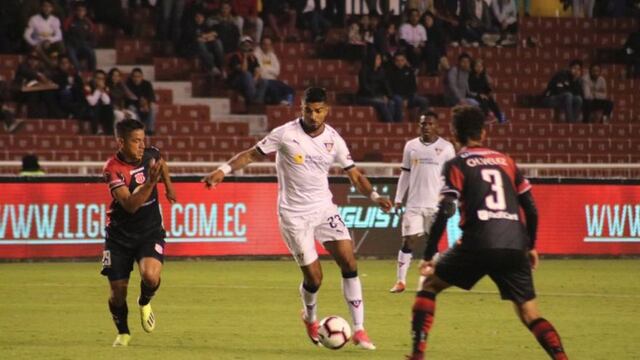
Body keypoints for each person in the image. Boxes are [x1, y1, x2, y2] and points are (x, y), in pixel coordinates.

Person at [201, 87, 393, 350]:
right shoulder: (285, 134)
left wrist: (374, 196)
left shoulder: (334, 139)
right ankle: (310, 318)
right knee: (315, 279)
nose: (313, 115)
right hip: (294, 215)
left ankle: (360, 329)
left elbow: (355, 175)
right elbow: (251, 154)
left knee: (349, 262)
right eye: (308, 110)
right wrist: (222, 170)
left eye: (318, 110)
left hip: (325, 209)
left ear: (326, 111)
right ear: (301, 109)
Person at [406, 106, 569, 360]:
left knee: (430, 284)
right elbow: (532, 209)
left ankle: (417, 355)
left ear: (454, 133)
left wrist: (429, 254)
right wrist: (531, 245)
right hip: (514, 245)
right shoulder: (507, 161)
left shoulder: (457, 164)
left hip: (477, 242)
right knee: (530, 314)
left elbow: (447, 208)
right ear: (483, 132)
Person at [101, 118, 177, 347]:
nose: (142, 146)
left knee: (151, 276)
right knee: (117, 293)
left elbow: (161, 164)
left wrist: (169, 189)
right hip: (118, 236)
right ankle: (123, 332)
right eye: (136, 141)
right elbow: (131, 205)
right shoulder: (112, 169)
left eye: (143, 140)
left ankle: (144, 301)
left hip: (150, 230)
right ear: (121, 142)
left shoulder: (150, 153)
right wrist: (151, 184)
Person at [389, 111, 455, 293]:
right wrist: (398, 198)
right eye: (423, 124)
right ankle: (400, 281)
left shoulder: (447, 147)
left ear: (437, 126)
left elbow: (453, 176)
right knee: (408, 240)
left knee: (431, 244)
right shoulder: (411, 146)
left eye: (429, 124)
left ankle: (428, 281)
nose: (426, 127)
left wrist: (452, 199)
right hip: (414, 204)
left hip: (436, 205)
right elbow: (405, 173)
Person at [387, 52, 429, 122]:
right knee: (398, 100)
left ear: (405, 61)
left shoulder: (409, 71)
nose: (400, 62)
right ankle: (399, 124)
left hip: (409, 97)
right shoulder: (390, 71)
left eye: (402, 60)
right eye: (398, 60)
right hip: (396, 96)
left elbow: (413, 87)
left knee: (424, 101)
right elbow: (389, 88)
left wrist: (407, 98)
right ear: (395, 62)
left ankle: (421, 121)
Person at [253, 36, 294, 105]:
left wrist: (266, 68)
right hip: (263, 80)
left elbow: (277, 71)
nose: (266, 46)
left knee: (290, 90)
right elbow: (260, 69)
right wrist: (270, 69)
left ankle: (288, 102)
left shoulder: (272, 55)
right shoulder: (256, 54)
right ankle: (280, 102)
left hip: (273, 80)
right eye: (265, 44)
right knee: (273, 89)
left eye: (268, 44)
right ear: (261, 45)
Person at [356, 52, 395, 122]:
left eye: (380, 59)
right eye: (377, 59)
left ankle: (389, 124)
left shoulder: (381, 72)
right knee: (381, 103)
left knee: (391, 103)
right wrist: (377, 96)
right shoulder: (364, 71)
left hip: (378, 96)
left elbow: (385, 86)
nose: (379, 61)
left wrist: (387, 96)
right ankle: (391, 124)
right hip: (365, 97)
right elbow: (364, 87)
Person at [468, 58, 507, 123]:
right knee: (483, 100)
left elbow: (486, 88)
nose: (479, 68)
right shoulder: (470, 76)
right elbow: (470, 89)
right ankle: (486, 116)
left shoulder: (483, 77)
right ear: (473, 67)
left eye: (481, 66)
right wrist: (479, 94)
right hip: (474, 95)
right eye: (477, 66)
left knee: (492, 101)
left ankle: (499, 118)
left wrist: (488, 93)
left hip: (483, 94)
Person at [63, 2, 97, 72]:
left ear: (85, 12)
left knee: (91, 53)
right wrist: (68, 44)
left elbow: (92, 35)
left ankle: (92, 72)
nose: (80, 12)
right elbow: (64, 34)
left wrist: (91, 44)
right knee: (74, 60)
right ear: (75, 11)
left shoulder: (88, 22)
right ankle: (79, 74)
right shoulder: (69, 21)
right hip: (72, 45)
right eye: (79, 10)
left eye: (82, 10)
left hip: (84, 45)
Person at [126, 68, 157, 135]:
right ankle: (139, 129)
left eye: (138, 76)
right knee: (131, 108)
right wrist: (139, 106)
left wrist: (147, 104)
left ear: (142, 77)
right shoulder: (128, 85)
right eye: (134, 76)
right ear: (132, 77)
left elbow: (151, 97)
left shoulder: (147, 84)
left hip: (145, 107)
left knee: (153, 107)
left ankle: (150, 130)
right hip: (134, 106)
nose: (136, 79)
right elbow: (128, 100)